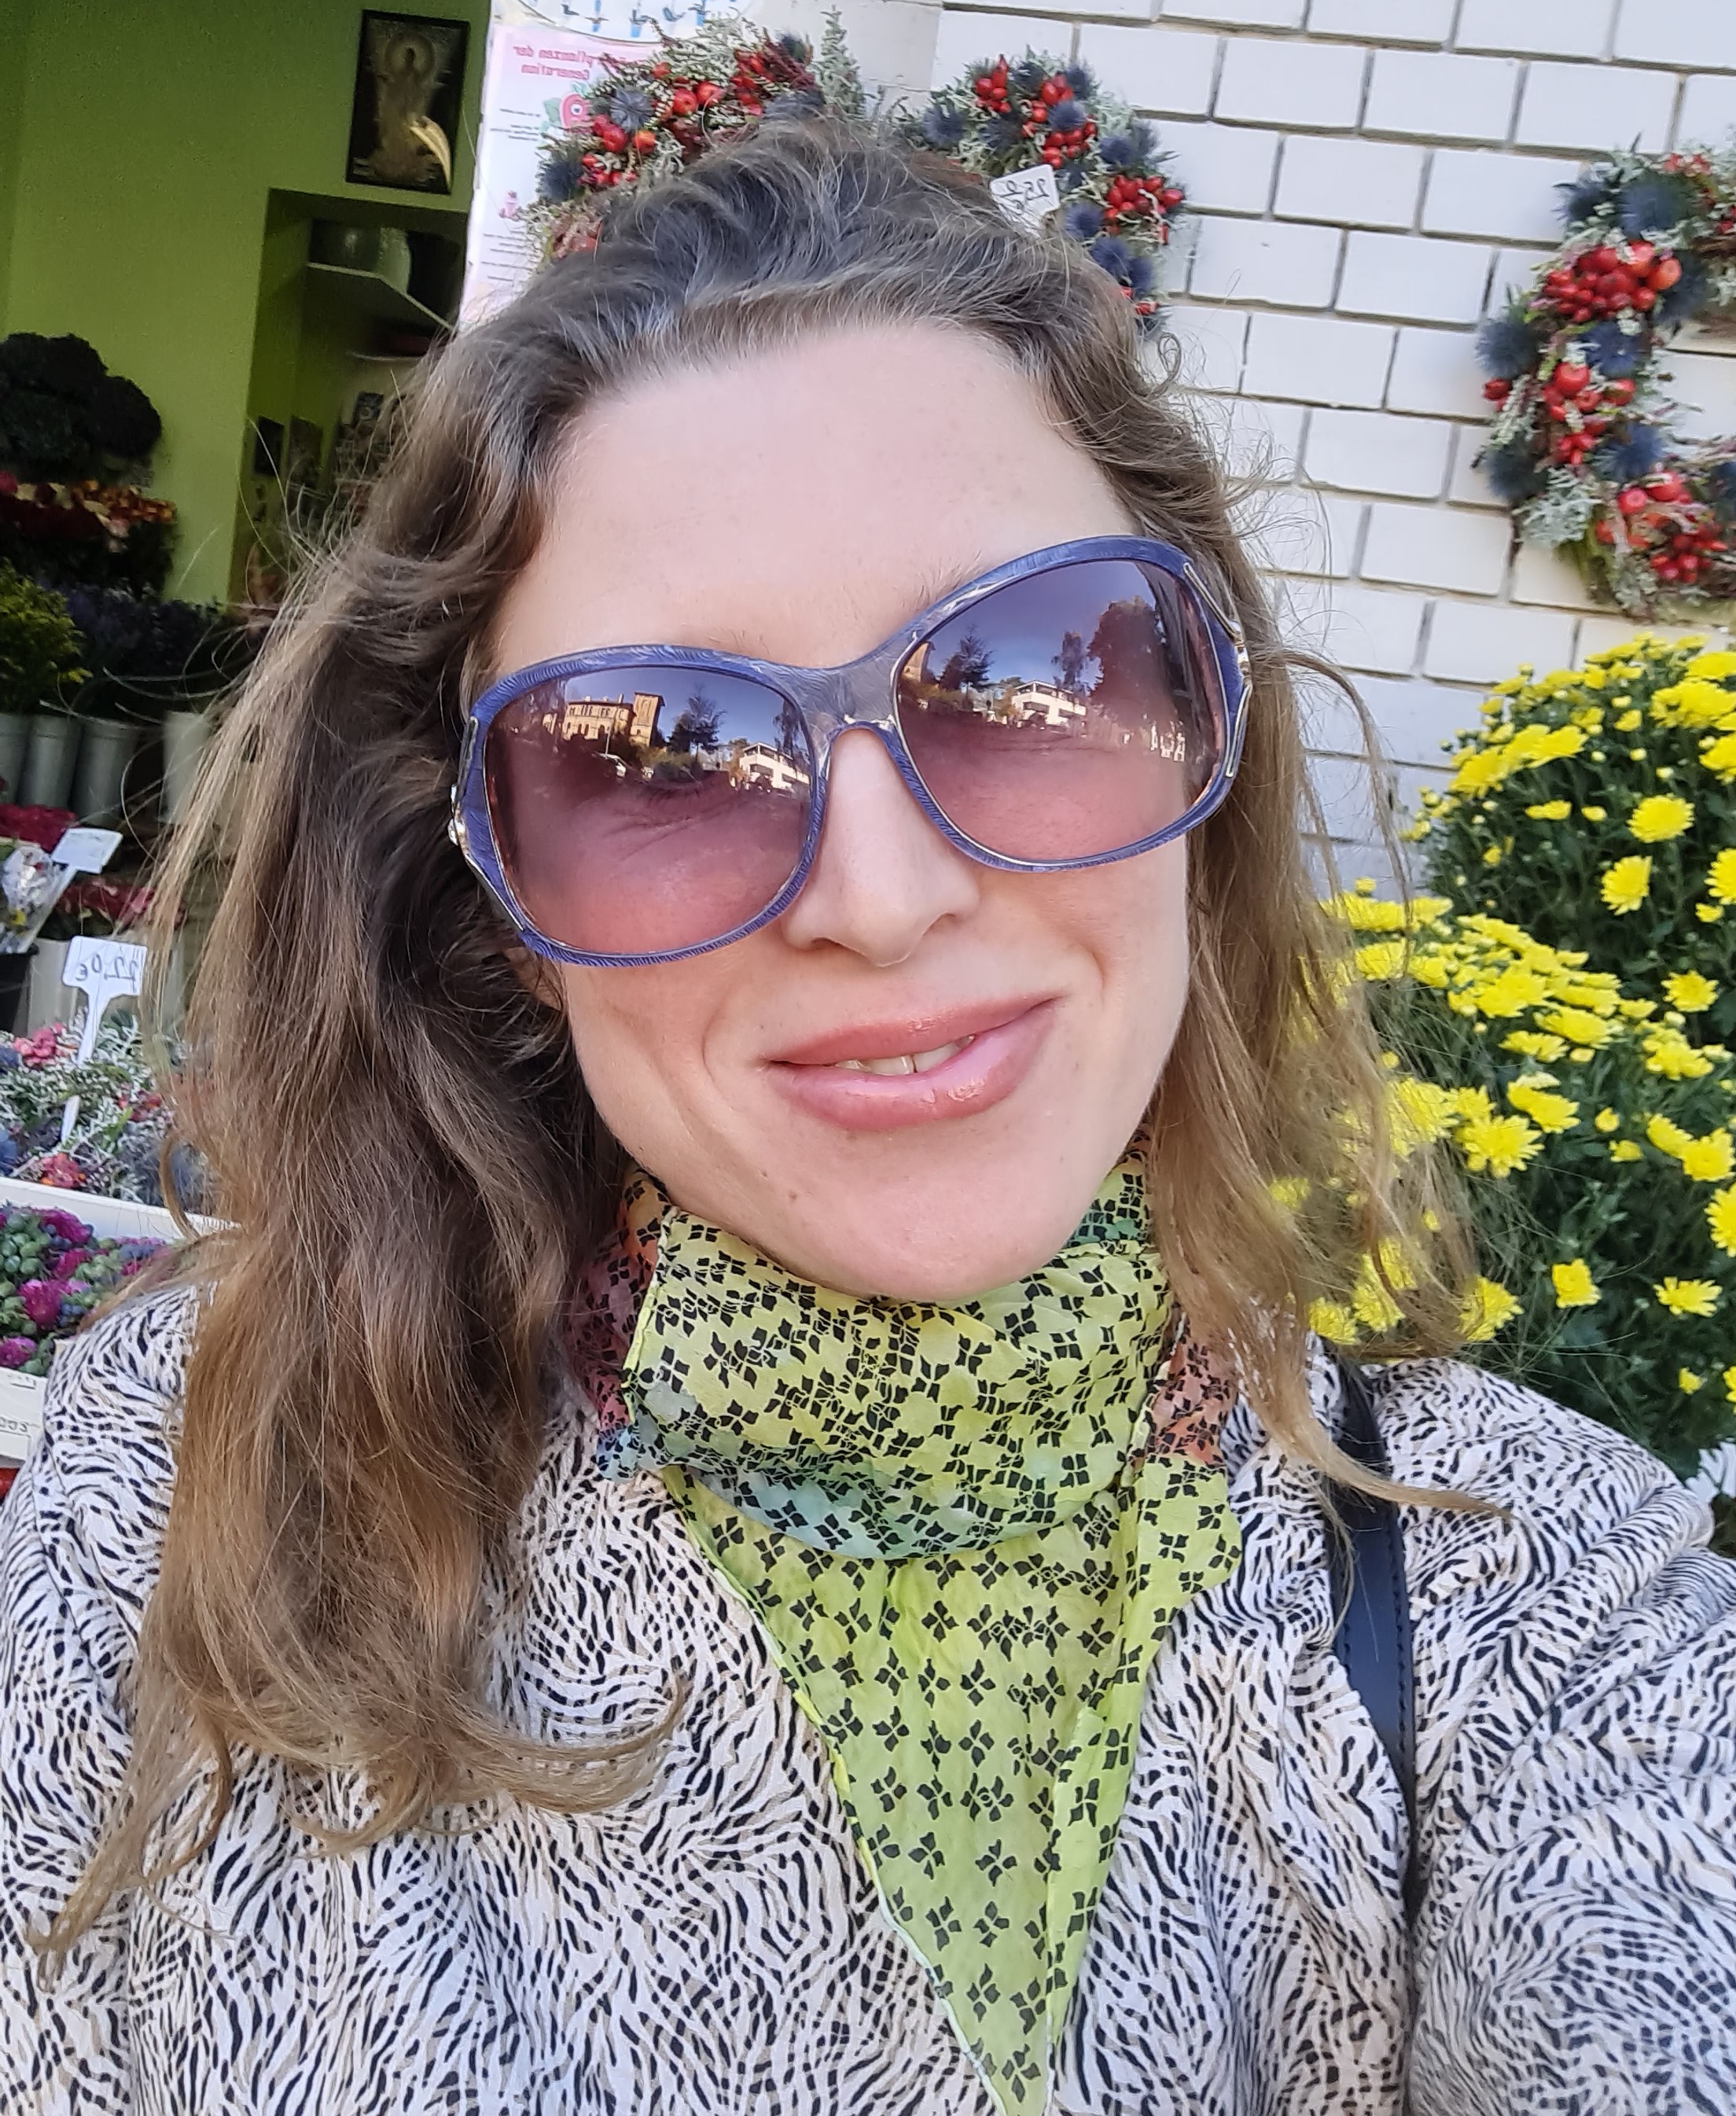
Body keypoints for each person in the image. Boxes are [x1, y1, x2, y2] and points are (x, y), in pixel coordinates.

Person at [2, 127, 1732, 2116]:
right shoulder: (185, 1485)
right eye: (657, 757)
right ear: (495, 909)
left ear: (1204, 725)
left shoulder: (1532, 1594)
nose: (886, 895)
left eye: (1027, 677)